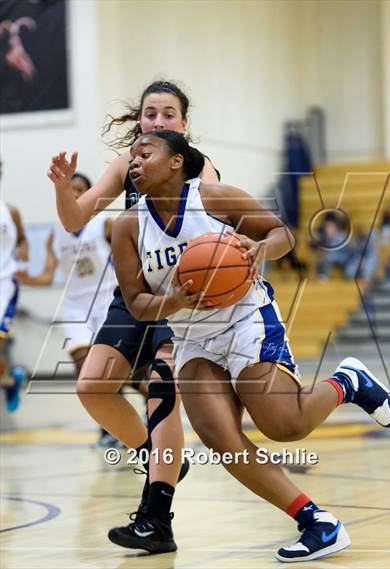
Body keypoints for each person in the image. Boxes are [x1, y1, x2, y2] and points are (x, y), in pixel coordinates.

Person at [111, 129, 390, 563]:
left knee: (285, 427)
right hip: (192, 337)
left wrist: (259, 247)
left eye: (144, 153)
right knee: (219, 437)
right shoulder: (127, 228)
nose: (133, 162)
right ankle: (316, 522)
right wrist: (172, 301)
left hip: (245, 320)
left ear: (176, 161)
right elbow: (135, 302)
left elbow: (282, 234)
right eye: (130, 156)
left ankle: (347, 381)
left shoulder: (214, 198)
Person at [47, 80, 220, 553]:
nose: (158, 122)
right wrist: (64, 189)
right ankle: (160, 457)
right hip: (135, 291)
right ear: (139, 120)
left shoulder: (199, 167)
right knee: (92, 388)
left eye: (168, 114)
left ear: (183, 124)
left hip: (180, 292)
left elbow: (226, 226)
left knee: (161, 393)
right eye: (150, 114)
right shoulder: (128, 164)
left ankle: (155, 516)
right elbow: (74, 218)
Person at [17, 173, 120, 444]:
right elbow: (49, 275)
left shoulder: (104, 224)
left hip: (107, 302)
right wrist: (20, 276)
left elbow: (130, 254)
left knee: (119, 371)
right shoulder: (55, 232)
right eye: (69, 189)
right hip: (76, 306)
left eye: (80, 189)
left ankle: (132, 422)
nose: (73, 193)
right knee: (85, 370)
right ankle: (108, 428)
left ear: (88, 195)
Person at [0, 177, 29, 411]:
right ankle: (9, 380)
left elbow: (22, 241)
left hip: (4, 284)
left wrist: (22, 256)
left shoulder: (10, 211)